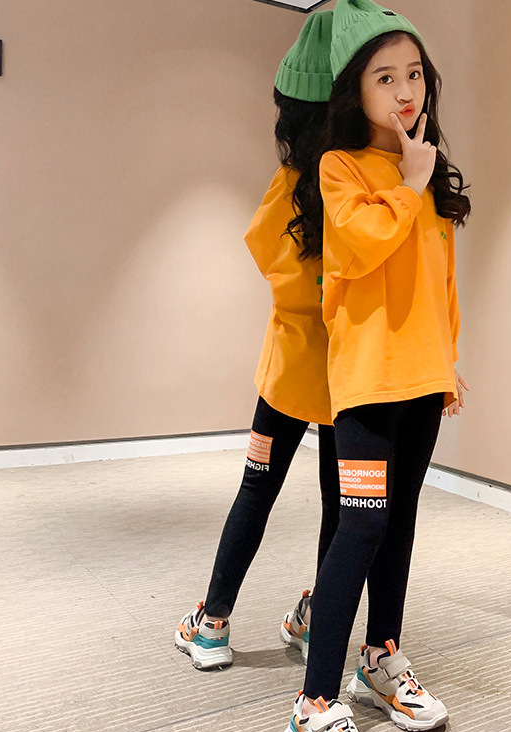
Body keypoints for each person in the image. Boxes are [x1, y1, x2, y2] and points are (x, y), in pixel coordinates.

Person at [279, 1, 471, 732]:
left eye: (413, 74)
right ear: (355, 92)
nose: (404, 91)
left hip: (422, 379)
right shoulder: (342, 168)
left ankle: (381, 656)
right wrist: (410, 185)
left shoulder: (427, 169)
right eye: (384, 77)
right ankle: (313, 710)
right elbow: (357, 249)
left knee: (399, 523)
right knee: (359, 526)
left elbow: (439, 282)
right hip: (363, 385)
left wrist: (448, 361)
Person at [174, 11, 339, 670]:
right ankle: (318, 618)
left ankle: (212, 624)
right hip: (349, 377)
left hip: (288, 374)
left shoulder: (293, 186)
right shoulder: (363, 185)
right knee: (341, 509)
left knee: (256, 488)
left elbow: (266, 254)